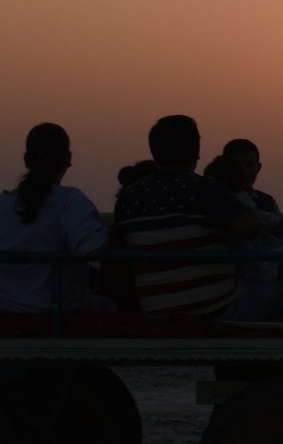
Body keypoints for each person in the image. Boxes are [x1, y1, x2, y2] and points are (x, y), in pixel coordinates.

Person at [112, 115, 263, 317]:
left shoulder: (128, 197)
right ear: (196, 149)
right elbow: (249, 227)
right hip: (216, 305)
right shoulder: (206, 188)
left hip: (156, 308)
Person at [0, 122, 110, 313]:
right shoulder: (70, 201)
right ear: (68, 158)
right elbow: (93, 249)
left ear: (26, 159)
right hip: (50, 310)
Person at [206, 150, 283, 319]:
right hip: (251, 263)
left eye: (249, 165)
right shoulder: (240, 202)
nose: (246, 171)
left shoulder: (265, 200)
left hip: (254, 260)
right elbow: (266, 223)